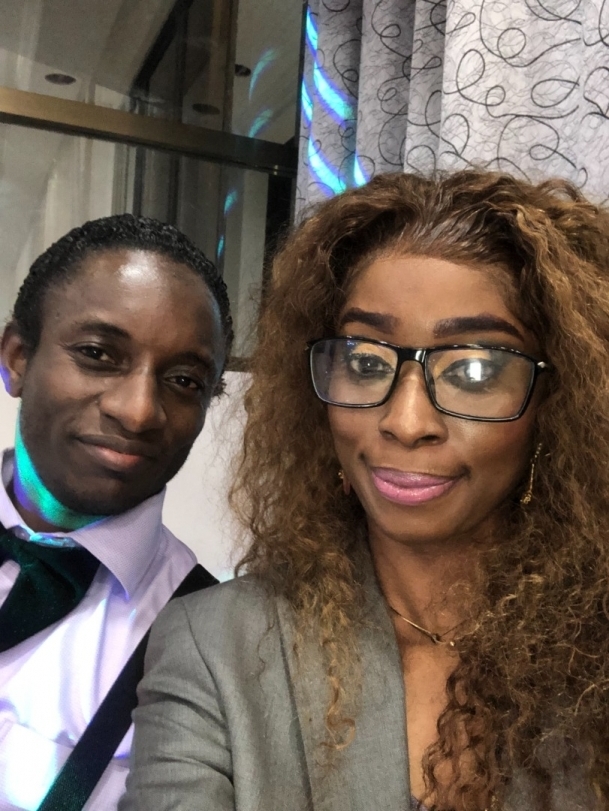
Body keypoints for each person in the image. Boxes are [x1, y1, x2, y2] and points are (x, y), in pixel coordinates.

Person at [121, 170, 609, 811]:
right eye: (366, 361)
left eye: (473, 369)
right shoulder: (217, 645)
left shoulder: (592, 658)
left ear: (558, 402)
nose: (405, 422)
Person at [0, 214, 232, 811]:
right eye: (98, 354)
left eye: (184, 380)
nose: (138, 411)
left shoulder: (213, 645)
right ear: (18, 358)